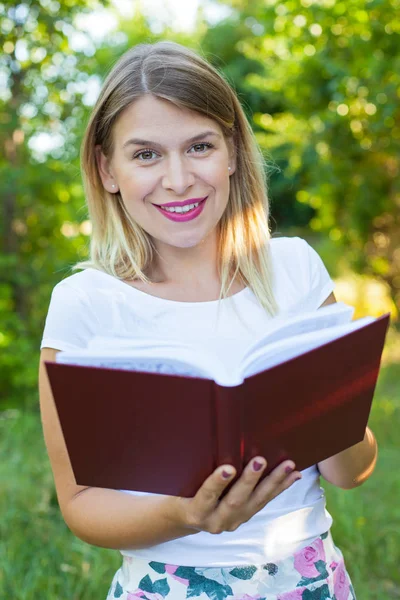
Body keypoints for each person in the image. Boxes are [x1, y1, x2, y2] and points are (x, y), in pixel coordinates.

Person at [38, 41, 377, 600]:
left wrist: (330, 419)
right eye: (146, 155)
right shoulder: (85, 305)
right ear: (108, 169)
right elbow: (80, 506)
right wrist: (185, 515)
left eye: (199, 147)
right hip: (166, 587)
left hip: (309, 578)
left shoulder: (295, 270)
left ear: (233, 153)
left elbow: (352, 471)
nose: (177, 180)